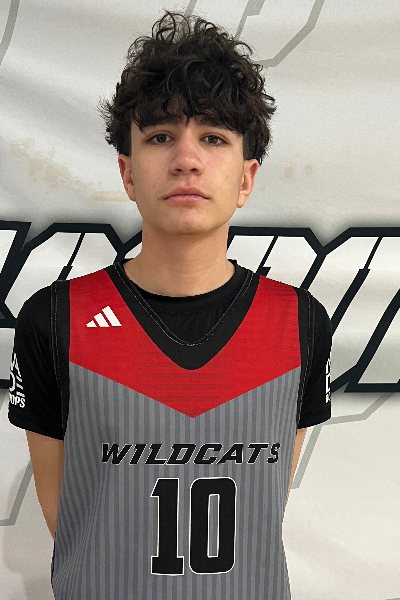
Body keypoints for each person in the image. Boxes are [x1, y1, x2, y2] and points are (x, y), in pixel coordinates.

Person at [8, 10, 332, 600]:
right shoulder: (53, 320)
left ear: (246, 177)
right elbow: (71, 519)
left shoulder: (300, 323)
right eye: (160, 137)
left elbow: (265, 506)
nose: (186, 159)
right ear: (128, 173)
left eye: (213, 137)